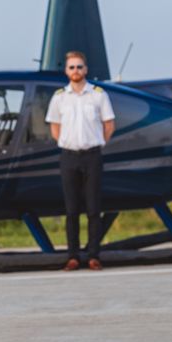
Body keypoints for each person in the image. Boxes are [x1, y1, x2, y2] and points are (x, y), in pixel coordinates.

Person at [45, 51, 115, 271]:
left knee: (93, 208)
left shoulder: (98, 95)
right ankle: (73, 256)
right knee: (71, 209)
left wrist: (98, 143)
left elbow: (109, 125)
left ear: (86, 70)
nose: (75, 71)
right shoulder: (59, 97)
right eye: (71, 67)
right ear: (66, 71)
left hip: (92, 156)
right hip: (69, 157)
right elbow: (54, 127)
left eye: (79, 67)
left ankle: (94, 256)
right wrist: (67, 143)